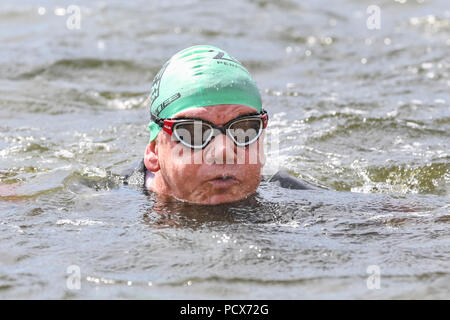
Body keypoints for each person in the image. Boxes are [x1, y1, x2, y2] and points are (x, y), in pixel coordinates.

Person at [123, 45, 320, 204]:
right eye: (194, 133)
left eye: (244, 131)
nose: (223, 151)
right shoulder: (111, 204)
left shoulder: (298, 198)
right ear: (153, 151)